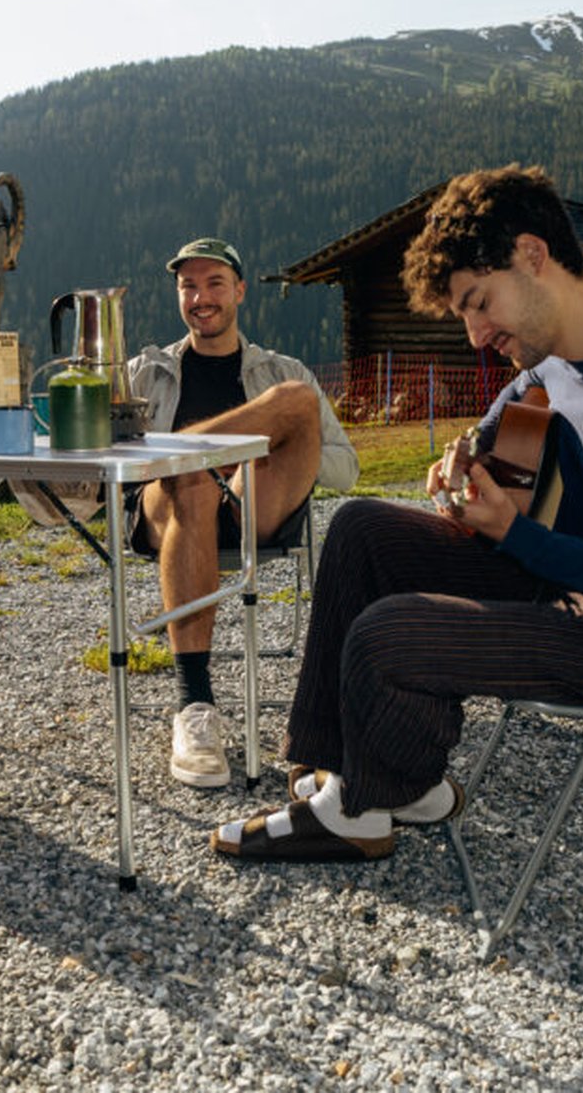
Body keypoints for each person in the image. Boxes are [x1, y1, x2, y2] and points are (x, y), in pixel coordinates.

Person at [211, 164, 583, 861]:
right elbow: (499, 435)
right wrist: (465, 466)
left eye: (480, 302)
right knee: (360, 529)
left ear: (533, 256)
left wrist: (517, 533)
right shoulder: (555, 361)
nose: (477, 335)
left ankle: (361, 806)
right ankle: (360, 774)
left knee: (390, 633)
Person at [127, 237, 359, 789]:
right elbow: (104, 457)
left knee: (297, 402)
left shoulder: (280, 370)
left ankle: (187, 449)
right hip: (168, 505)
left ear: (239, 291)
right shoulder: (145, 373)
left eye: (213, 284)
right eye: (188, 286)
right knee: (191, 483)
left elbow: (345, 468)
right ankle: (194, 707)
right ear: (178, 296)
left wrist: (261, 451)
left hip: (251, 503)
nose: (200, 297)